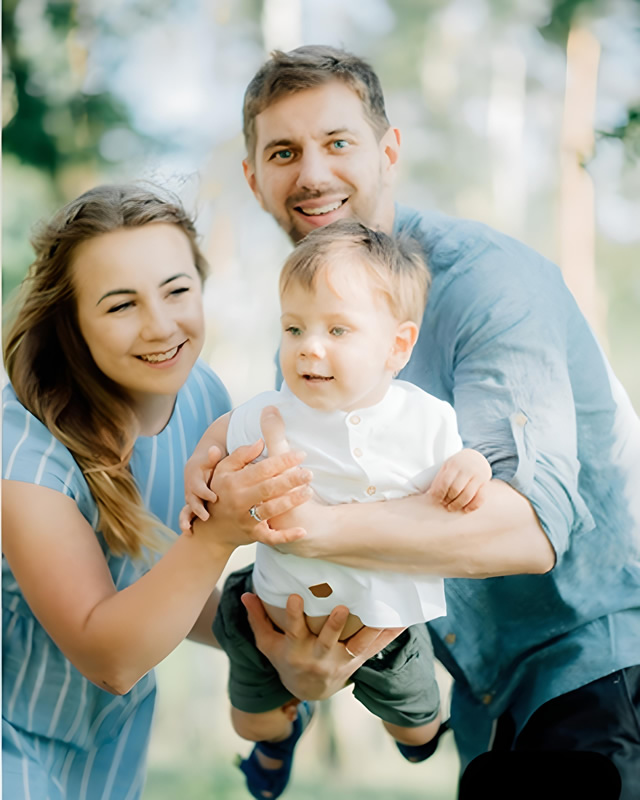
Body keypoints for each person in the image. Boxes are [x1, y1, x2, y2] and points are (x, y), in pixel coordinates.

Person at [217, 45, 640, 797]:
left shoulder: (489, 284)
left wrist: (312, 527)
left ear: (389, 151)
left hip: (605, 677)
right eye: (284, 152)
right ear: (254, 179)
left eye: (337, 142)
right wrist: (302, 672)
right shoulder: (306, 346)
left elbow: (530, 529)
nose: (311, 173)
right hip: (490, 712)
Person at [1, 183, 319, 800]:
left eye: (177, 291)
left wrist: (274, 648)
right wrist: (222, 533)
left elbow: (168, 589)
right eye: (120, 305)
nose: (160, 326)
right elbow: (108, 657)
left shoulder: (206, 400)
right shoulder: (22, 446)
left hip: (110, 742)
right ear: (71, 322)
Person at [182, 220, 492, 799]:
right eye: (294, 327)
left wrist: (472, 467)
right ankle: (282, 735)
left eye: (337, 329)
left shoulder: (426, 420)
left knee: (418, 731)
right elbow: (225, 431)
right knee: (250, 722)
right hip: (268, 609)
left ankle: (417, 732)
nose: (309, 345)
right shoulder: (275, 409)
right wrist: (202, 459)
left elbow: (465, 465)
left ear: (397, 346)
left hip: (383, 622)